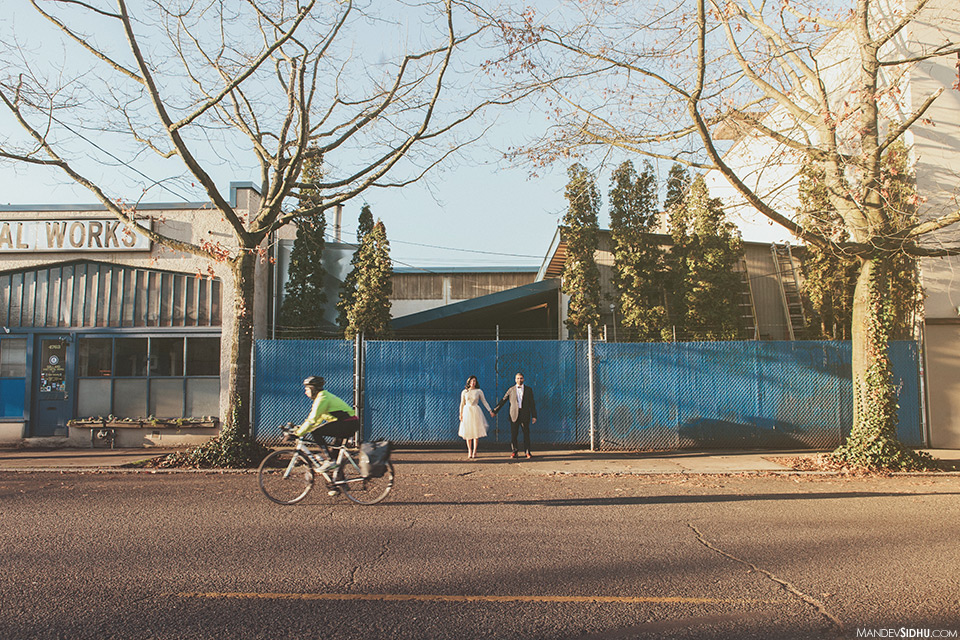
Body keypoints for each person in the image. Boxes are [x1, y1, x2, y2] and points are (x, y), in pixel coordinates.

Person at [286, 376, 358, 473]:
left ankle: (330, 461)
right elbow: (317, 420)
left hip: (347, 424)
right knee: (334, 457)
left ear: (313, 389)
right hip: (347, 423)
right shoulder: (323, 396)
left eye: (307, 389)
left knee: (316, 432)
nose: (305, 392)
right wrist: (301, 430)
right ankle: (338, 484)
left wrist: (298, 434)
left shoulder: (322, 398)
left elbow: (312, 420)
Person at [493, 372, 537, 459]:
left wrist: (534, 416)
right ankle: (514, 452)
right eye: (517, 378)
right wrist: (495, 411)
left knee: (526, 434)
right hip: (514, 415)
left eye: (521, 378)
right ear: (515, 379)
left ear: (523, 379)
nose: (519, 380)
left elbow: (532, 404)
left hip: (525, 414)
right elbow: (503, 400)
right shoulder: (511, 390)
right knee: (514, 434)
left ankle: (527, 452)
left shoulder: (528, 390)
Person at [458, 375, 494, 459]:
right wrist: (461, 414)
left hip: (475, 411)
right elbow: (462, 403)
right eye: (471, 381)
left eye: (474, 381)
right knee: (468, 432)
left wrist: (490, 410)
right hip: (467, 412)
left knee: (475, 432)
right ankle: (469, 450)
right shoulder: (464, 392)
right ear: (468, 382)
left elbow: (484, 402)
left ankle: (475, 451)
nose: (473, 383)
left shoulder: (479, 391)